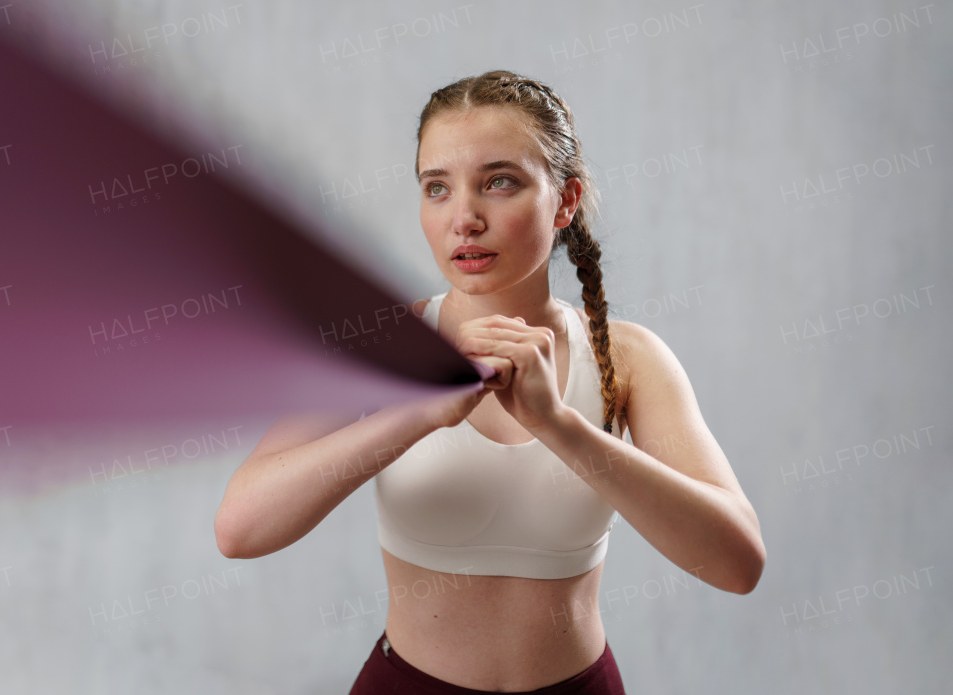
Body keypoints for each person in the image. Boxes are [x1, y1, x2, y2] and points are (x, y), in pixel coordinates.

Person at [214, 70, 765, 693]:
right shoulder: (379, 347)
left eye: (499, 182)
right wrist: (417, 415)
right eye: (438, 188)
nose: (464, 218)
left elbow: (737, 563)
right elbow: (239, 530)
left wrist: (558, 425)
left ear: (565, 200)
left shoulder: (628, 356)